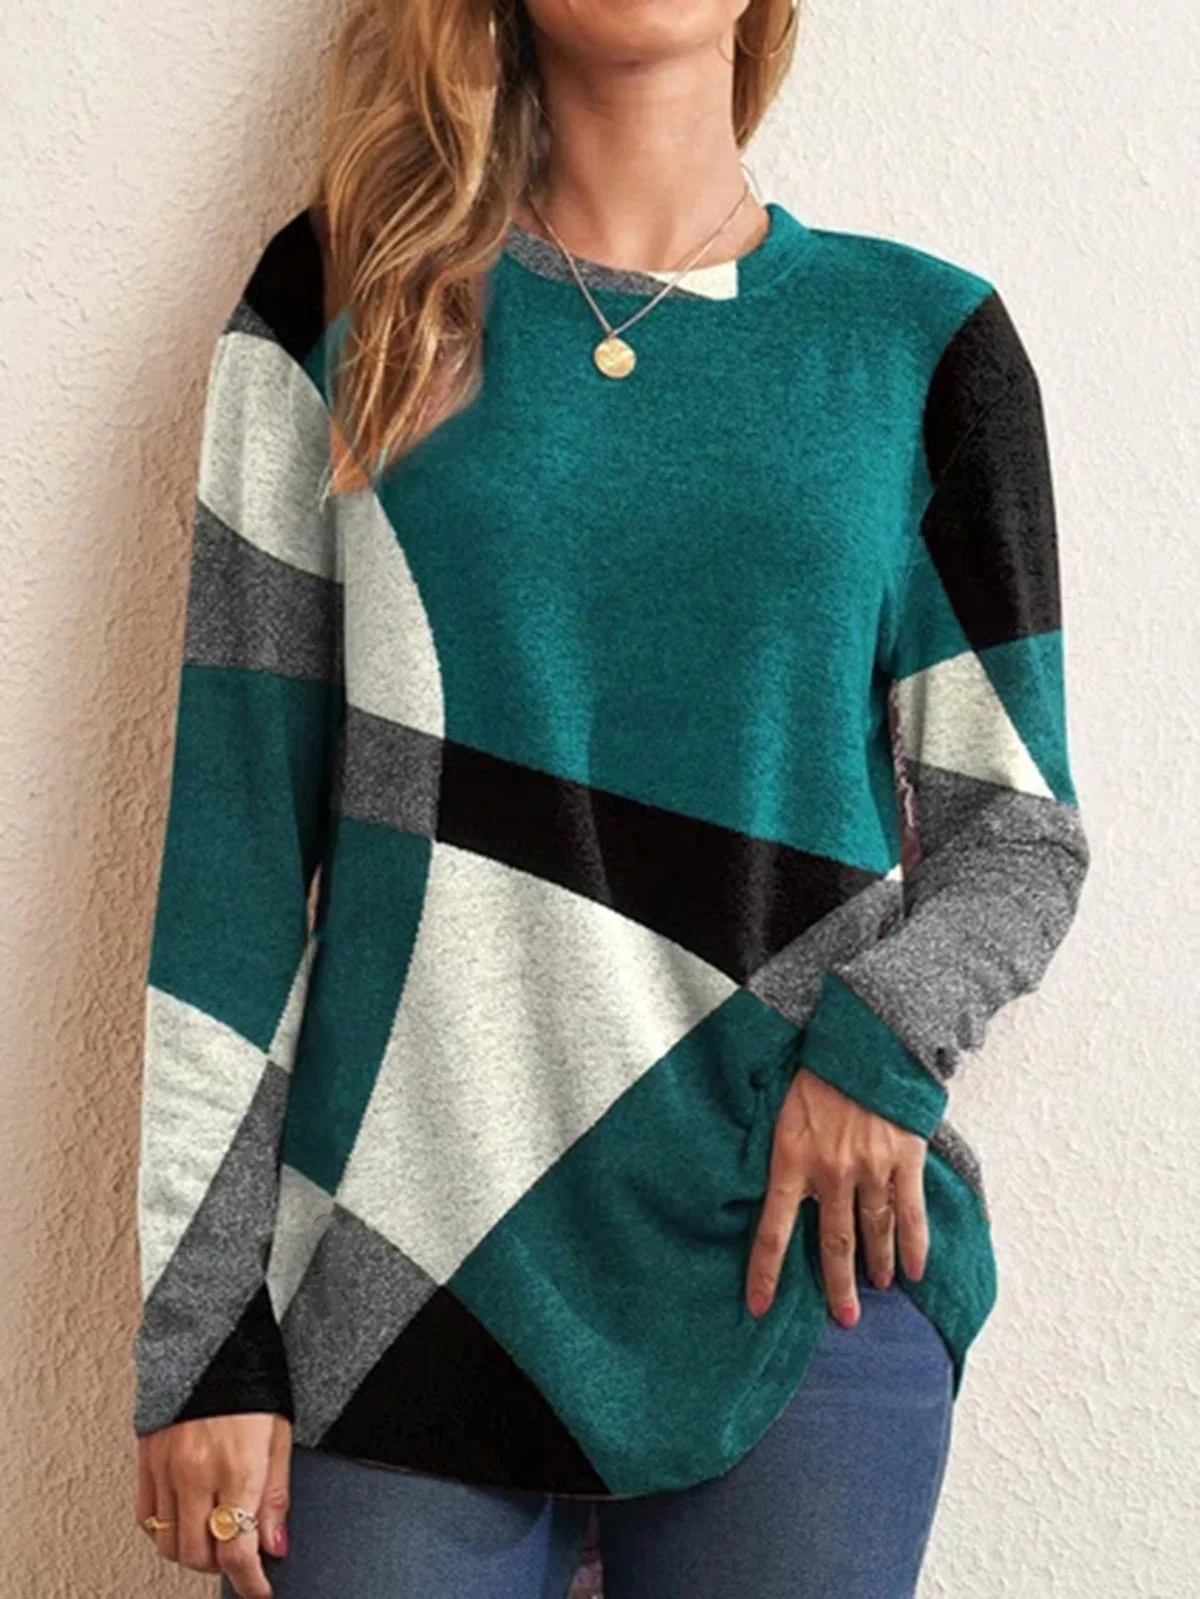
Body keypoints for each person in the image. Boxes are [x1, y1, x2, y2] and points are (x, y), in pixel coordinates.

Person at [131, 1, 1090, 1595]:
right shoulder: (340, 299)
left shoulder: (921, 345)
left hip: (802, 1273)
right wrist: (200, 1330)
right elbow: (235, 845)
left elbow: (1019, 828)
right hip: (394, 1282)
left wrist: (883, 1044)